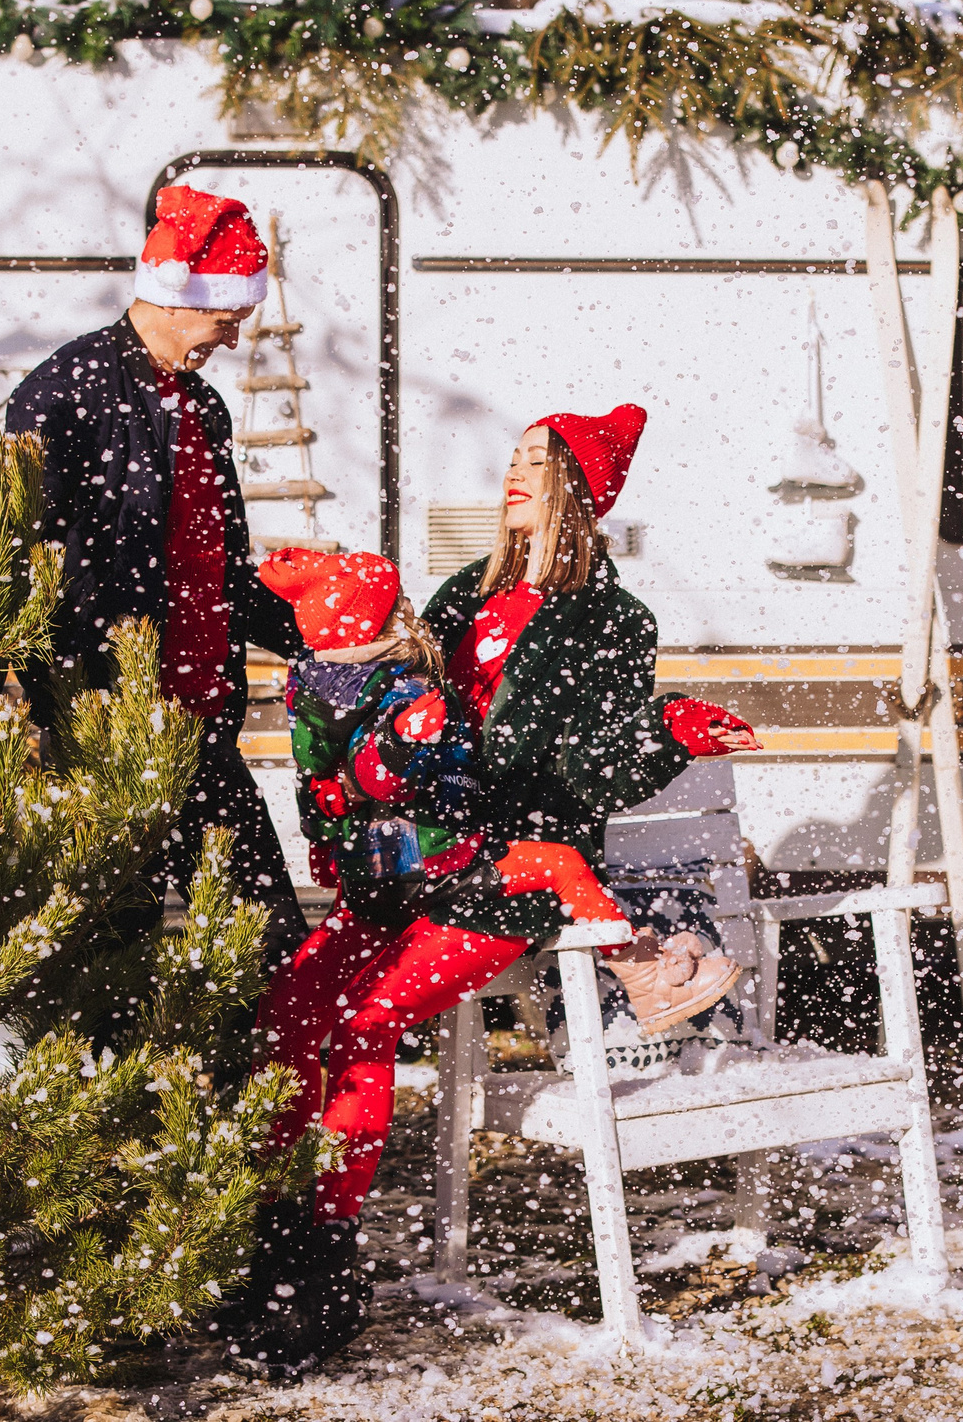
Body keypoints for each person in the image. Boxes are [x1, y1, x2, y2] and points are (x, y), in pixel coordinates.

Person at [223, 407, 756, 1372]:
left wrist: (668, 729)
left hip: (510, 879)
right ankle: (269, 1243)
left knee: (360, 1024)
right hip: (409, 867)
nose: (513, 477)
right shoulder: (464, 592)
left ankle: (323, 1265)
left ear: (580, 492)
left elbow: (592, 769)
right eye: (512, 459)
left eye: (535, 464)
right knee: (288, 1012)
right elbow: (377, 675)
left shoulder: (611, 622)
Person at [1, 186, 310, 967]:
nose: (233, 341)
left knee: (266, 943)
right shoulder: (65, 393)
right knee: (109, 962)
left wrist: (327, 634)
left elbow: (223, 572)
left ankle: (268, 1089)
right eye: (226, 320)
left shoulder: (203, 407)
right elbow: (5, 552)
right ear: (177, 299)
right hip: (107, 727)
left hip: (202, 730)